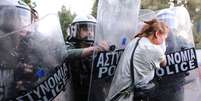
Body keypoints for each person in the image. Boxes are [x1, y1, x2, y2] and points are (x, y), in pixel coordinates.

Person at [106, 19, 169, 101]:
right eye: (164, 38)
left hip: (115, 96)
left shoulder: (135, 41)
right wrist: (162, 46)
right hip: (128, 98)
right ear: (157, 34)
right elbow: (164, 63)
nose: (164, 41)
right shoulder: (154, 50)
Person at [65, 14, 109, 101]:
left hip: (94, 94)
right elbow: (66, 54)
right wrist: (93, 50)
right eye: (85, 29)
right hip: (75, 94)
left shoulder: (99, 47)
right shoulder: (69, 45)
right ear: (75, 30)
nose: (89, 32)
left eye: (92, 30)